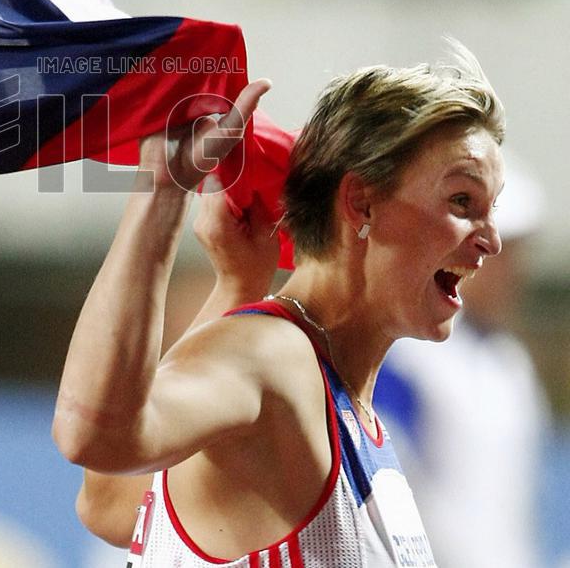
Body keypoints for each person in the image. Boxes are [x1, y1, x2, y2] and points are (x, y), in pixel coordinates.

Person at [53, 42, 504, 567]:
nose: (491, 240)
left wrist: (238, 283)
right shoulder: (275, 359)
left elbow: (113, 504)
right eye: (462, 201)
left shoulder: (340, 402)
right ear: (361, 203)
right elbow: (95, 436)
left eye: (491, 207)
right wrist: (164, 194)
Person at [375, 158, 548, 568]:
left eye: (515, 256)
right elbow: (387, 491)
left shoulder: (512, 365)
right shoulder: (406, 355)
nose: (512, 273)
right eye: (497, 255)